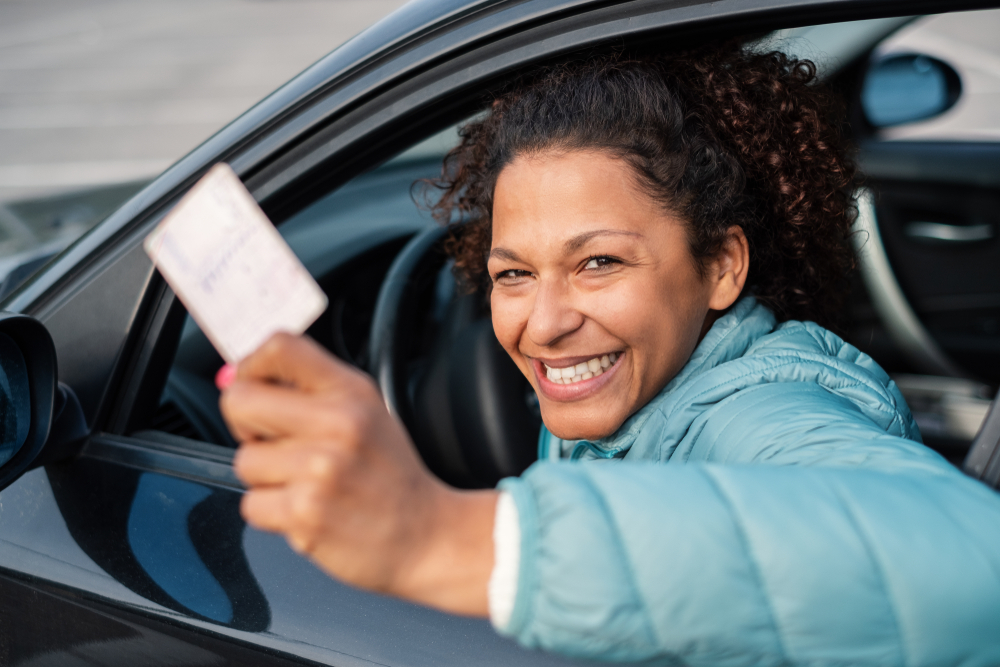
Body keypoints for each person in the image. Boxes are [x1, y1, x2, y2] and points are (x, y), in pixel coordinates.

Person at [217, 43, 1000, 665]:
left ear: (722, 265)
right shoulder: (629, 389)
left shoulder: (765, 411)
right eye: (514, 273)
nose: (545, 325)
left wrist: (444, 536)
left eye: (600, 263)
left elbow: (974, 564)